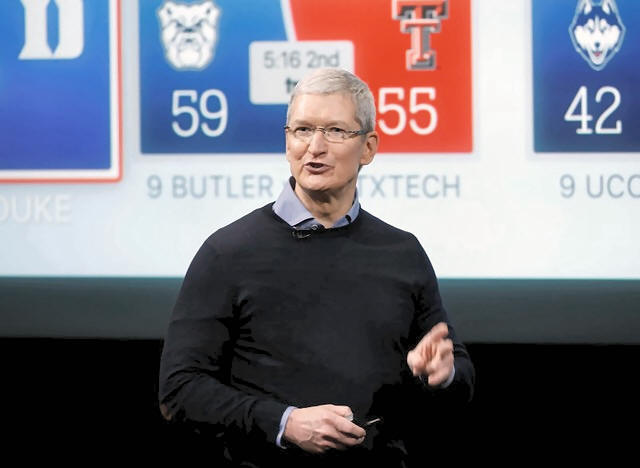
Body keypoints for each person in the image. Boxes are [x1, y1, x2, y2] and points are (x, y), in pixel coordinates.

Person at [158, 68, 474, 467]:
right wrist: (285, 423)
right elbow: (180, 389)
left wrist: (442, 374)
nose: (315, 147)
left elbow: (460, 378)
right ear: (287, 141)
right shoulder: (228, 252)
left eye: (335, 131)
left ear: (368, 148)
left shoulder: (402, 252)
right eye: (303, 130)